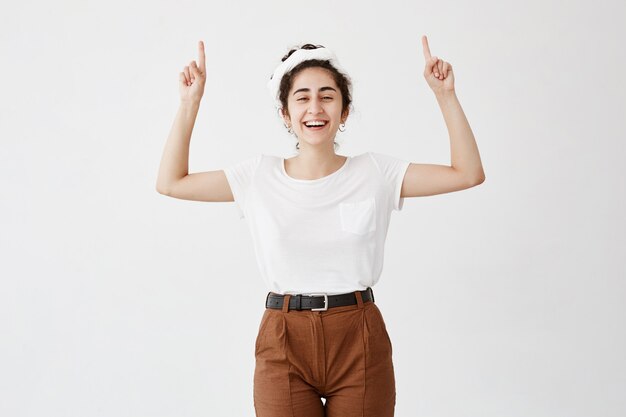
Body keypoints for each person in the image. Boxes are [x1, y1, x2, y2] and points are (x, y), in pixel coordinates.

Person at [156, 36, 485, 417]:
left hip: (359, 334)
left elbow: (468, 173)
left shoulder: (376, 172)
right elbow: (171, 182)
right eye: (302, 97)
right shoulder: (257, 176)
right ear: (285, 113)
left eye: (327, 96)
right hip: (283, 338)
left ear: (344, 111)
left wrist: (445, 95)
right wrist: (189, 103)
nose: (315, 107)